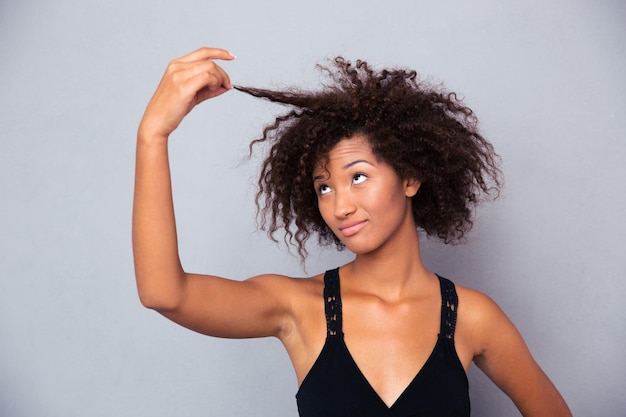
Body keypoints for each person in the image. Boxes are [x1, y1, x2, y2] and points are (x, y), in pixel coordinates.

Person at [133, 47, 572, 417]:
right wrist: (153, 135)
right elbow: (164, 294)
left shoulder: (473, 317)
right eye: (324, 187)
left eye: (358, 176)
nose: (340, 205)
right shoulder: (298, 309)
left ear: (410, 177)